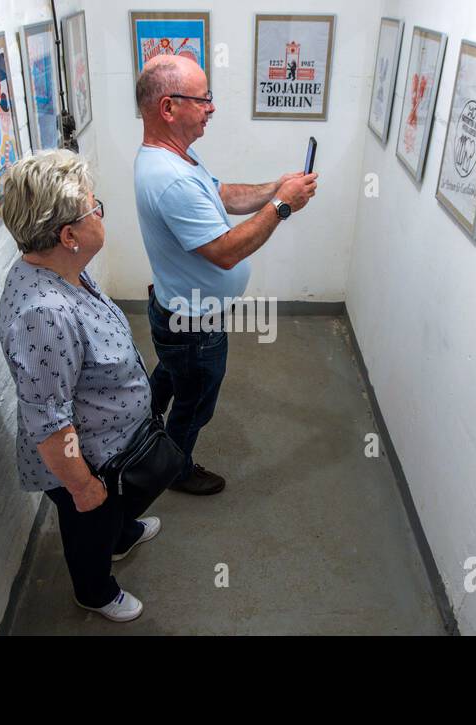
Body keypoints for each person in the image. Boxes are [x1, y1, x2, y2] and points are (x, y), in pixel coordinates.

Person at [133, 55, 318, 496]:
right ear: (168, 108)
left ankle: (140, 423)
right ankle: (173, 470)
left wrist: (274, 187)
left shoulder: (176, 159)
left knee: (172, 375)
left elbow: (222, 195)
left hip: (178, 307)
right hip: (194, 324)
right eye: (204, 99)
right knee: (194, 404)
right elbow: (226, 253)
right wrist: (283, 206)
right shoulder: (171, 179)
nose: (212, 107)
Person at [0, 149, 162, 623]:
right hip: (83, 464)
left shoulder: (66, 269)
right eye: (96, 207)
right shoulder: (43, 312)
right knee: (88, 522)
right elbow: (49, 421)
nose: (101, 213)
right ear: (68, 235)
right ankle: (96, 590)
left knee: (110, 515)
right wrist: (83, 487)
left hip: (111, 449)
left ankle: (120, 532)